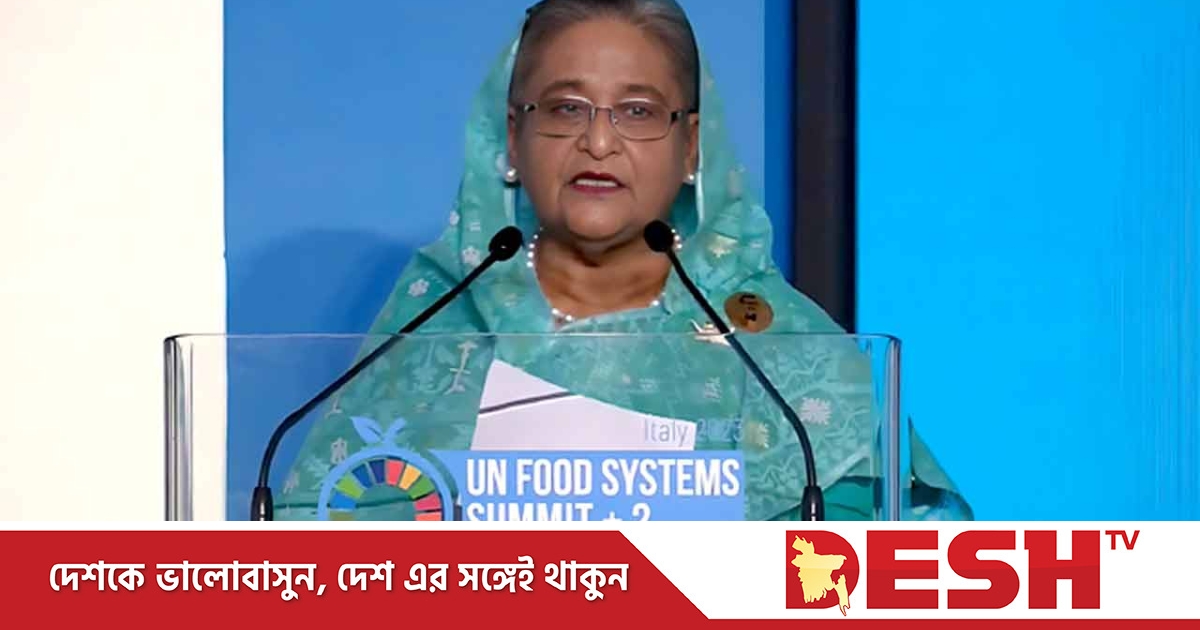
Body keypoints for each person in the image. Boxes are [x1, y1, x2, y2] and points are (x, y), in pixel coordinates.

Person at [273, 0, 972, 522]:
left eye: (637, 111)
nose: (599, 142)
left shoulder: (774, 345)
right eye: (565, 109)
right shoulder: (437, 323)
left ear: (691, 146)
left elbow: (901, 553)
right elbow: (316, 543)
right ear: (513, 138)